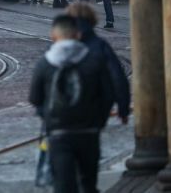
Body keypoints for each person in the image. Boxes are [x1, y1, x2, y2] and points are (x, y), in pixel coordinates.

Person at [28, 15, 113, 193]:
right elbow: (107, 94)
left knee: (64, 185)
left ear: (53, 35)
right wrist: (99, 121)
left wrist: (48, 118)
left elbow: (35, 98)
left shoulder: (45, 63)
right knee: (88, 183)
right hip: (89, 132)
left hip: (59, 133)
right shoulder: (93, 60)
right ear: (77, 35)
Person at [66, 2, 130, 125]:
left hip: (65, 110)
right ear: (92, 20)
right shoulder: (101, 46)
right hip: (98, 108)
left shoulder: (59, 48)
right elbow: (118, 79)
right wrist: (123, 110)